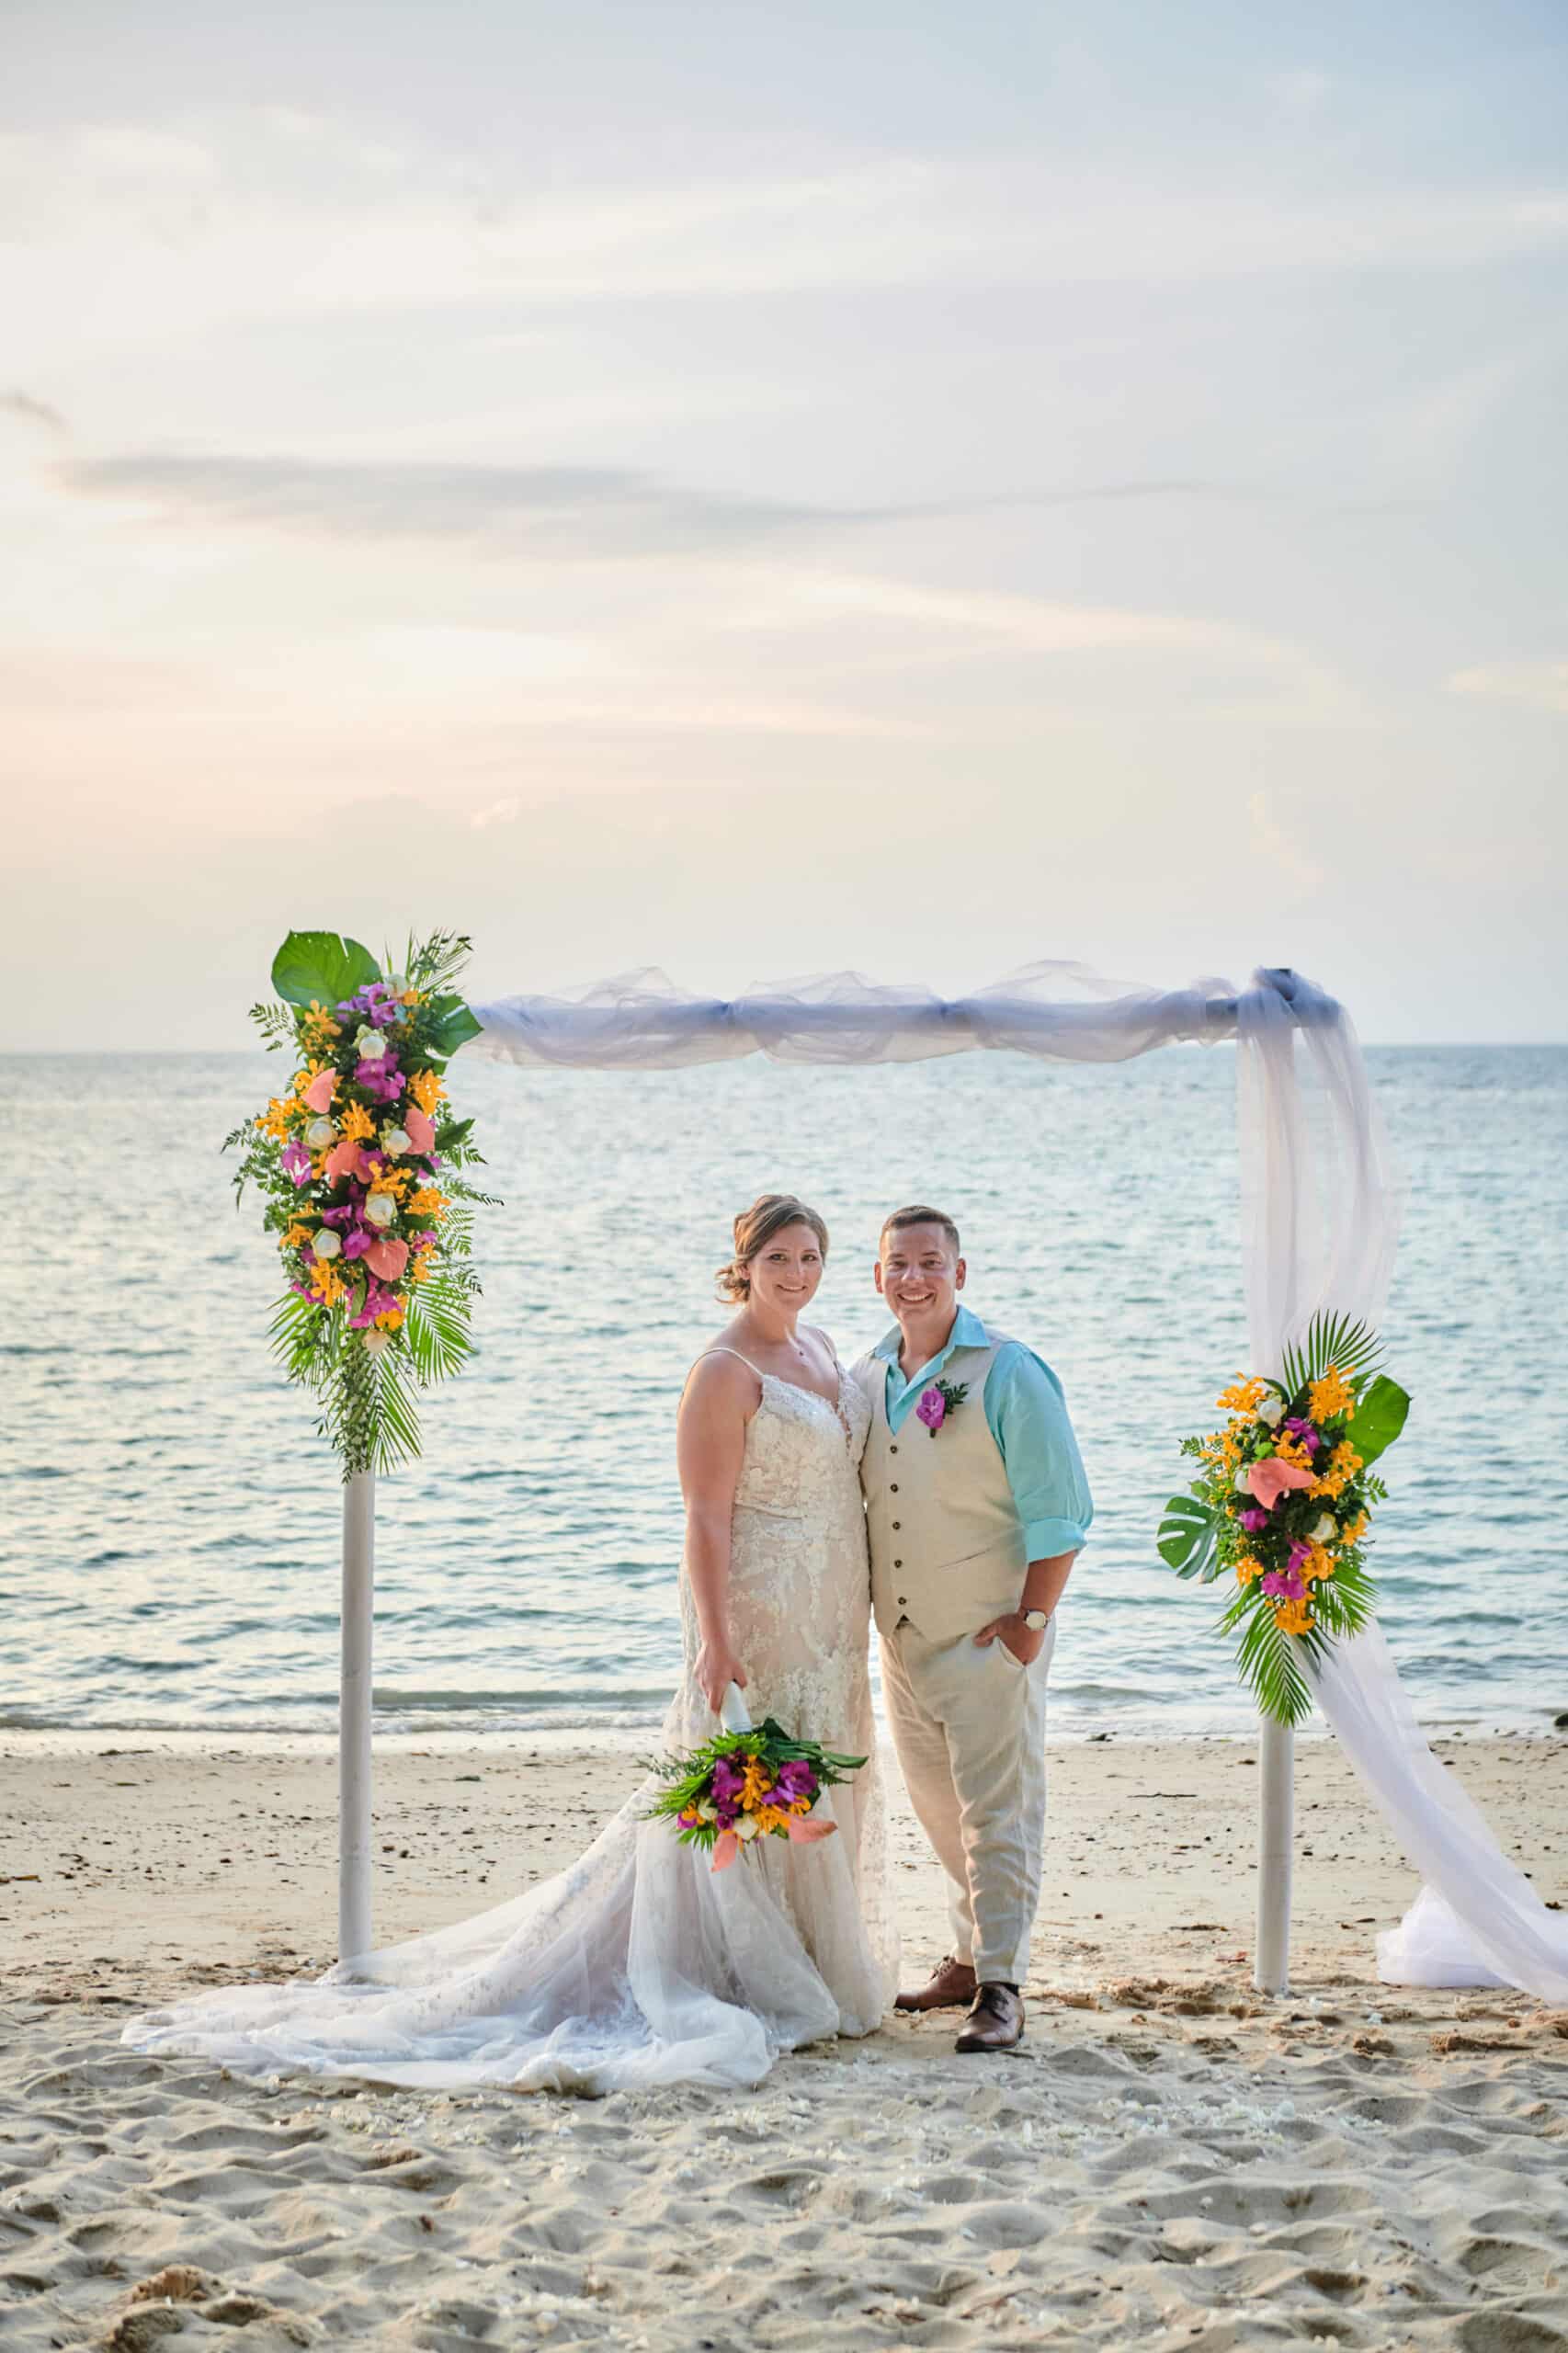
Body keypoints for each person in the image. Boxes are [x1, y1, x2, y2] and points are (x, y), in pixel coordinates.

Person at [124, 1194, 894, 2095]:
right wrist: (716, 1639)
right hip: (758, 1609)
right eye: (779, 1259)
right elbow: (704, 1518)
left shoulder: (821, 1348)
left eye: (809, 1257)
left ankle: (811, 1953)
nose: (796, 1274)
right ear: (743, 1262)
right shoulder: (720, 1371)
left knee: (825, 1774)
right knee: (747, 1788)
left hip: (831, 1620)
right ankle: (745, 1971)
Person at [852, 1205, 1092, 2053]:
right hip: (906, 1641)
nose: (913, 1279)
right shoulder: (869, 1372)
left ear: (961, 1272)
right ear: (876, 1277)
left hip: (994, 1637)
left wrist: (1031, 1623)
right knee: (940, 1812)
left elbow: (1062, 1513)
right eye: (897, 1265)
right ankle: (966, 1956)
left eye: (929, 1263)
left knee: (998, 1812)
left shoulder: (1008, 1371)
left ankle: (1002, 1985)